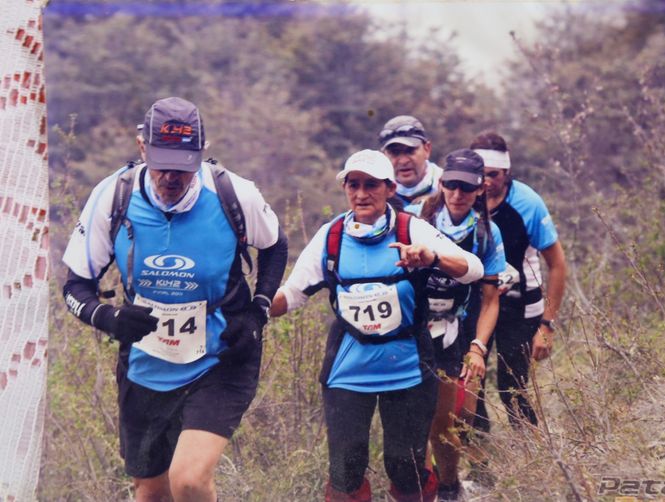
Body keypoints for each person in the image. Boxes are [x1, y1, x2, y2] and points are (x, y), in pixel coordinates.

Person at [61, 97, 288, 502]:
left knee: (189, 481)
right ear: (141, 147)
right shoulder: (113, 196)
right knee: (151, 492)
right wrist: (108, 317)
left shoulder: (233, 193)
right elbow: (74, 287)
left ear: (201, 153)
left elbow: (275, 245)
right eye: (161, 164)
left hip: (220, 356)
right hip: (147, 362)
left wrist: (258, 311)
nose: (171, 177)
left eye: (183, 166)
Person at [269, 149, 484, 502]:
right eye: (353, 185)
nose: (361, 194)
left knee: (405, 466)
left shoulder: (411, 228)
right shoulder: (330, 236)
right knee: (346, 469)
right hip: (348, 369)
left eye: (371, 185)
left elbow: (473, 269)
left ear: (390, 188)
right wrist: (253, 307)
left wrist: (432, 257)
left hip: (407, 368)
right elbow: (291, 294)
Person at [406, 149, 505, 501]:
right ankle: (421, 487)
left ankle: (450, 485)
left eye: (466, 187)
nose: (457, 194)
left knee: (453, 420)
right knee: (414, 417)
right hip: (414, 326)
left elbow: (490, 299)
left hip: (457, 326)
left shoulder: (486, 233)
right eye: (451, 185)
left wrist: (478, 347)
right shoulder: (416, 217)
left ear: (480, 189)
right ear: (441, 183)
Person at [469, 131, 567, 431]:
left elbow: (557, 264)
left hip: (520, 307)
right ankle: (479, 455)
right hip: (478, 304)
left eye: (494, 175)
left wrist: (547, 325)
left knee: (511, 387)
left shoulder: (528, 203)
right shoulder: (462, 197)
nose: (486, 182)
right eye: (480, 174)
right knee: (470, 384)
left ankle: (532, 451)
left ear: (507, 172)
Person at [379, 115, 443, 205]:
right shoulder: (376, 195)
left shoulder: (451, 188)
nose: (403, 161)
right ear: (384, 156)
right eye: (395, 153)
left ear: (427, 149)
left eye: (410, 151)